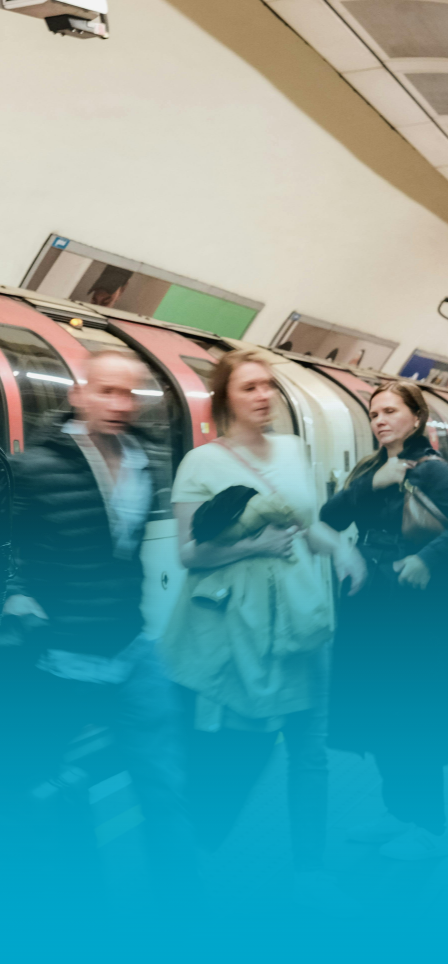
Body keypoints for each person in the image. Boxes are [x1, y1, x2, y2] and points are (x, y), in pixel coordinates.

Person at [161, 348, 365, 884]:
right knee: (244, 740)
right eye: (249, 387)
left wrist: (341, 550)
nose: (262, 396)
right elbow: (188, 554)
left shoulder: (294, 451)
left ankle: (309, 867)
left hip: (305, 617)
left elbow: (308, 524)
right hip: (243, 627)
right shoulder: (202, 463)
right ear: (225, 397)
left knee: (311, 749)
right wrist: (254, 547)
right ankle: (202, 842)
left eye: (268, 385)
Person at [0, 349, 196, 891]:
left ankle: (185, 911)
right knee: (44, 784)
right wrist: (15, 594)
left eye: (129, 393)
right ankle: (68, 906)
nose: (119, 404)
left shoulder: (145, 461)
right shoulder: (34, 467)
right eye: (107, 391)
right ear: (78, 395)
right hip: (60, 657)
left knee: (165, 782)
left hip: (131, 649)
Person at [319, 380, 448, 860]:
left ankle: (429, 825)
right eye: (374, 413)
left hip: (416, 609)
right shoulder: (373, 469)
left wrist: (429, 559)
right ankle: (399, 813)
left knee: (413, 712)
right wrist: (373, 483)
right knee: (382, 712)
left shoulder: (435, 471)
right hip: (372, 602)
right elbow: (328, 516)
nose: (380, 420)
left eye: (391, 411)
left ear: (415, 418)